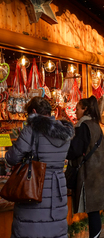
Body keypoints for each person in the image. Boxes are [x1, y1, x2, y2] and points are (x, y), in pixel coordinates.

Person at [5, 97, 74, 237]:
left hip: (35, 187)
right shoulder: (65, 133)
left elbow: (12, 158)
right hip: (58, 188)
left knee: (31, 229)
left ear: (34, 112)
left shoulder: (31, 131)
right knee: (55, 228)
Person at [67, 96, 104, 238]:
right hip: (97, 173)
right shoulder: (94, 125)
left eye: (78, 109)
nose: (75, 112)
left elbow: (75, 150)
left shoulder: (83, 126)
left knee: (93, 211)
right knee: (94, 211)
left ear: (85, 109)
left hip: (88, 174)